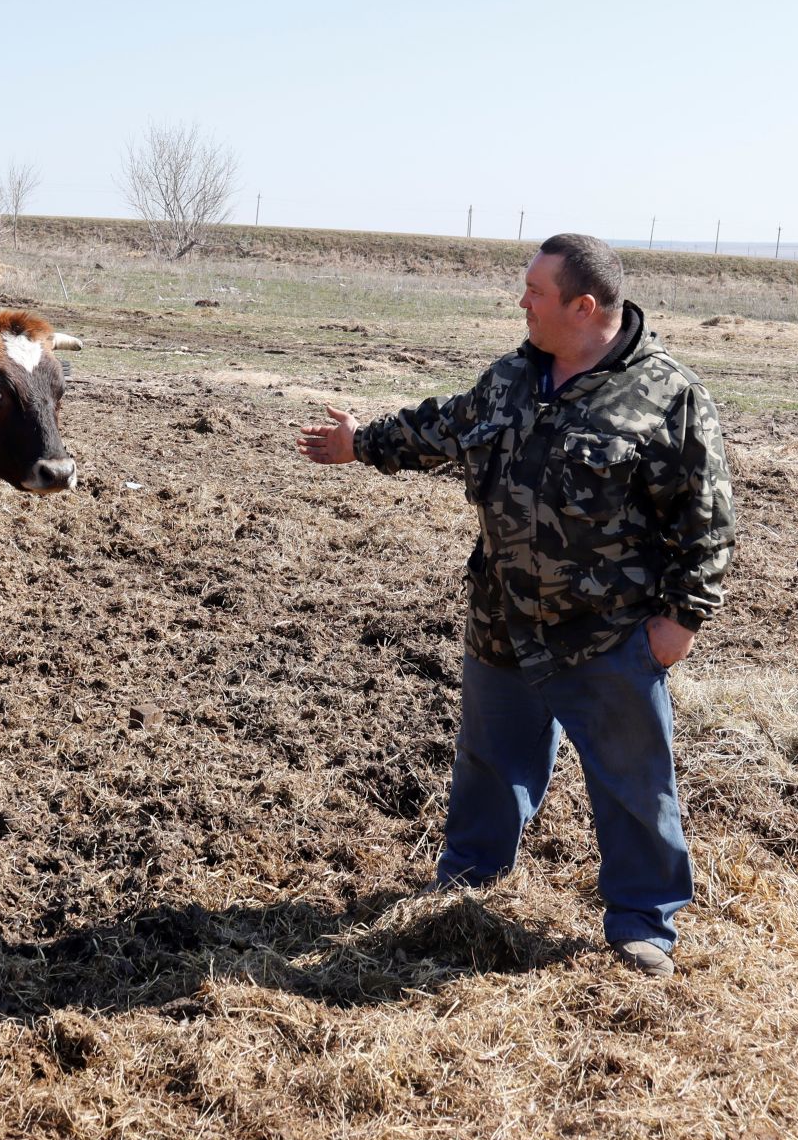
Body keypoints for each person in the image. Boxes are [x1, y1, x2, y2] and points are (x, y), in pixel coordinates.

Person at [296, 233, 734, 977]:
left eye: (534, 291)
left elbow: (706, 520)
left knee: (634, 786)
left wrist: (680, 622)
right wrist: (361, 443)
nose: (521, 302)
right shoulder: (510, 378)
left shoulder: (668, 396)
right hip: (501, 622)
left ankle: (643, 923)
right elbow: (445, 425)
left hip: (607, 636)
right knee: (488, 769)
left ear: (583, 305)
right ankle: (466, 885)